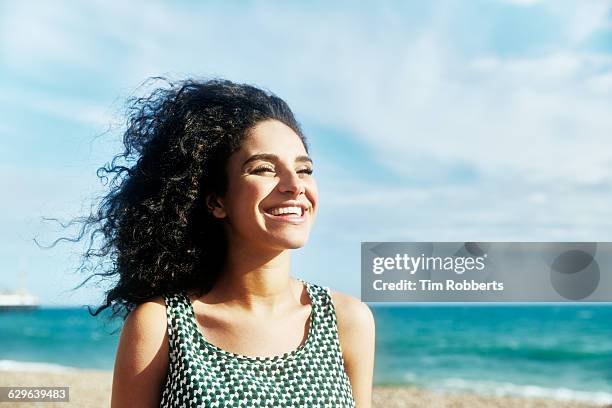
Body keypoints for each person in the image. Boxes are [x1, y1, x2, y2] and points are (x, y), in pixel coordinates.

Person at [85, 77, 374, 407]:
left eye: (304, 169)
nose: (294, 185)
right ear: (216, 201)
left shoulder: (347, 320)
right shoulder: (162, 324)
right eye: (264, 168)